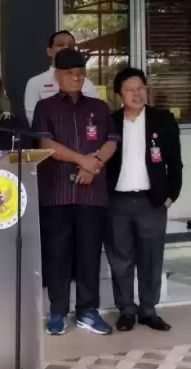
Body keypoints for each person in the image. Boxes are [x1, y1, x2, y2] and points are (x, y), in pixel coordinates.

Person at [32, 48, 120, 336]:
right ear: (57, 75)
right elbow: (46, 146)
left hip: (91, 194)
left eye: (80, 73)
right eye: (70, 73)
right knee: (57, 255)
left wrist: (93, 165)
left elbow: (111, 143)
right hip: (56, 193)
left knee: (89, 254)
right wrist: (82, 159)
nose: (76, 77)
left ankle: (88, 311)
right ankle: (57, 312)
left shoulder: (99, 107)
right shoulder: (45, 109)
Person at [105, 67, 182, 332]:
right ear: (119, 94)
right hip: (117, 203)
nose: (137, 94)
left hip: (152, 202)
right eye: (130, 89)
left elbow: (175, 163)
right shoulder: (110, 122)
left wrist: (170, 197)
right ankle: (126, 310)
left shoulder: (162, 119)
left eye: (141, 88)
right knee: (121, 259)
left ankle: (149, 310)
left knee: (151, 260)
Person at [24, 30, 99, 125]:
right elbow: (33, 119)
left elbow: (95, 116)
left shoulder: (87, 83)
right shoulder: (35, 83)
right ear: (49, 51)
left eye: (71, 46)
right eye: (60, 45)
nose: (66, 48)